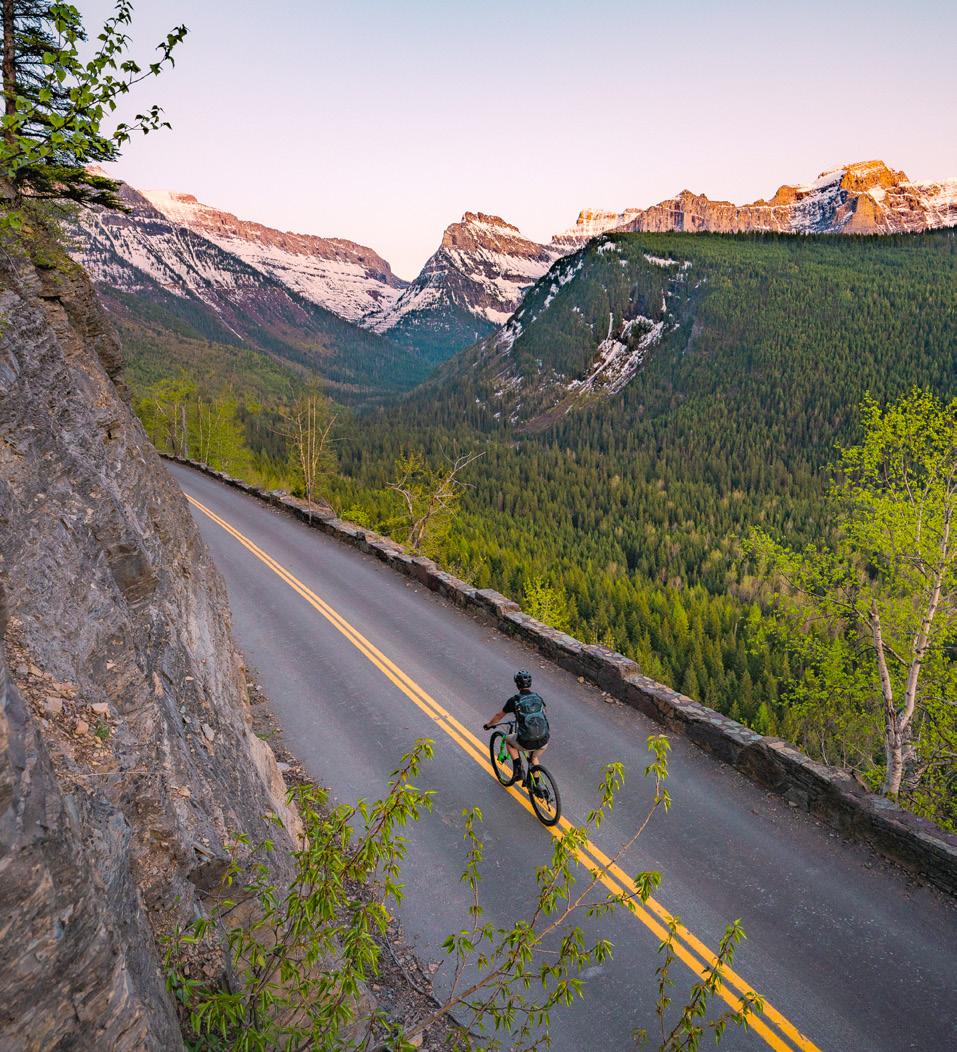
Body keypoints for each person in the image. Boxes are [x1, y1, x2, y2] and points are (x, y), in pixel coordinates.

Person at [484, 670, 550, 787]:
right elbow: (544, 712)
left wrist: (489, 725)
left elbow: (499, 716)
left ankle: (518, 770)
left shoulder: (514, 700)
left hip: (526, 741)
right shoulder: (538, 697)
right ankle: (537, 786)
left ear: (517, 684)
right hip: (544, 739)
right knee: (534, 757)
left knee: (508, 741)